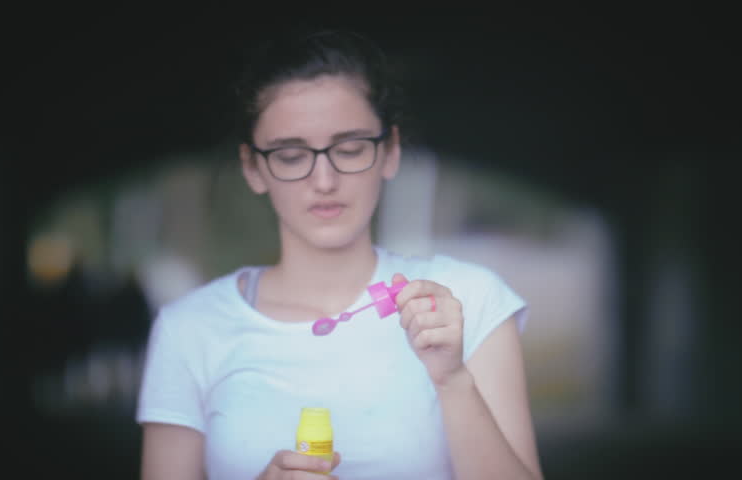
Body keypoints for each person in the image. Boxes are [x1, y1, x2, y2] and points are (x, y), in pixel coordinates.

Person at [137, 28, 543, 480]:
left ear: (390, 152)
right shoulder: (190, 329)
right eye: (291, 156)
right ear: (253, 167)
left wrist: (452, 380)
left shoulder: (466, 300)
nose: (324, 180)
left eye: (349, 150)